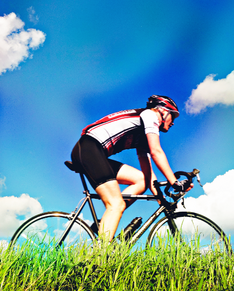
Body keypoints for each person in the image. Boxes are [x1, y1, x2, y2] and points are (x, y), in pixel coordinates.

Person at [70, 95, 192, 242]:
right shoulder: (150, 115)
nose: (173, 122)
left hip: (92, 151)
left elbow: (147, 172)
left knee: (141, 180)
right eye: (173, 116)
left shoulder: (142, 132)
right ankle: (100, 257)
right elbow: (156, 151)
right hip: (89, 149)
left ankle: (104, 221)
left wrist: (159, 196)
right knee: (116, 204)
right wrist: (174, 182)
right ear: (163, 111)